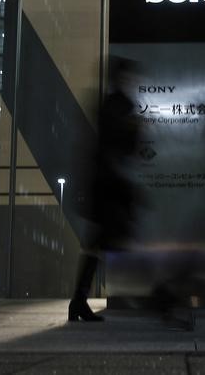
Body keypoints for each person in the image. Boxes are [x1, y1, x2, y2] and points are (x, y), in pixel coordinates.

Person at [68, 56, 142, 322]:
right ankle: (155, 299)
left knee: (97, 245)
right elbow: (126, 148)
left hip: (105, 186)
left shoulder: (108, 105)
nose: (133, 82)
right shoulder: (120, 107)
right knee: (117, 241)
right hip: (111, 188)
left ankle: (78, 301)